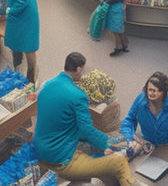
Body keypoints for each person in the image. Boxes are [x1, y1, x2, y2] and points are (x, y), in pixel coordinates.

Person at [34, 52, 137, 186]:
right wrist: (106, 144)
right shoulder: (78, 95)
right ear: (79, 69)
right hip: (61, 160)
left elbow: (65, 122)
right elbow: (87, 130)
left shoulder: (46, 86)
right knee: (119, 162)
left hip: (39, 150)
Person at [120, 71, 168, 174]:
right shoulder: (140, 100)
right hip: (146, 143)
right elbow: (129, 120)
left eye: (155, 91)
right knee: (132, 173)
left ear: (164, 92)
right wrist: (129, 139)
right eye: (149, 90)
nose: (150, 93)